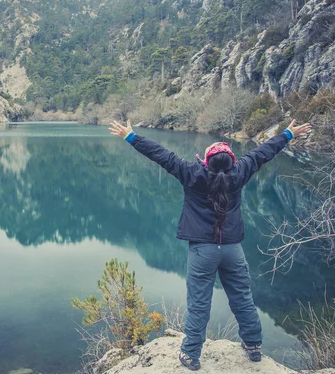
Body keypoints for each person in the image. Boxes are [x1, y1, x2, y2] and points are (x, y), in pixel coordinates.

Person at [109, 119, 312, 371]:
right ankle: (253, 347)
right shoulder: (240, 173)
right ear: (232, 162)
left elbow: (161, 155)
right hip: (232, 250)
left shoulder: (192, 174)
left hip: (202, 251)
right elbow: (263, 153)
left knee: (199, 303)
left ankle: (191, 355)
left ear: (205, 161)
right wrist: (288, 133)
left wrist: (131, 136)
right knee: (243, 299)